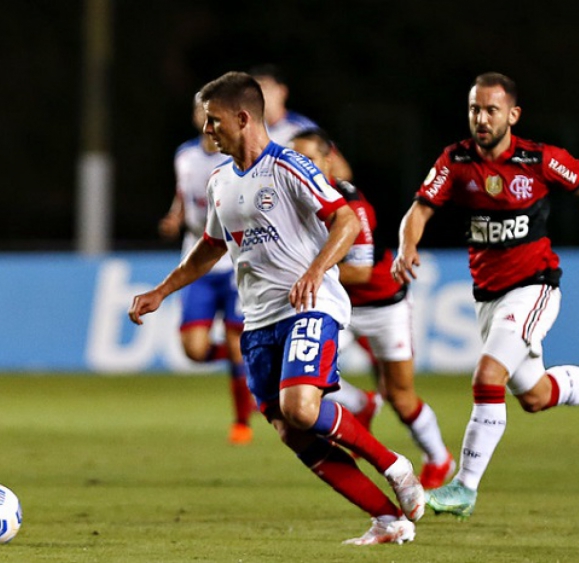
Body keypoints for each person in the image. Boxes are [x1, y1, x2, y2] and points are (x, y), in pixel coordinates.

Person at [130, 71, 424, 545]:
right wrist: (162, 291)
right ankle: (388, 520)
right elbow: (210, 246)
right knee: (293, 433)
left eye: (213, 121)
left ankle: (393, 463)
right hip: (260, 320)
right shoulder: (221, 180)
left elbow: (345, 220)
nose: (207, 131)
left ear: (242, 118)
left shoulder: (289, 166)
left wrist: (315, 271)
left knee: (300, 407)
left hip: (310, 306)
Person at [391, 71, 579, 520]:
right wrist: (407, 244)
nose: (481, 119)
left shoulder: (539, 160)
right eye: (474, 109)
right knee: (535, 395)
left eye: (491, 110)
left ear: (512, 115)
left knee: (487, 378)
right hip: (488, 296)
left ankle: (464, 487)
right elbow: (419, 209)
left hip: (534, 287)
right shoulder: (456, 160)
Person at [290, 128, 456, 489]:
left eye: (309, 160)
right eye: (295, 159)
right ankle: (360, 404)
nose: (301, 167)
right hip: (338, 305)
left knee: (400, 396)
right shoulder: (293, 197)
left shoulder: (353, 204)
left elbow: (362, 271)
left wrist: (306, 273)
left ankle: (440, 459)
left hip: (384, 305)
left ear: (329, 161)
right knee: (305, 379)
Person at [158, 93, 254, 445]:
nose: (208, 118)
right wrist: (175, 218)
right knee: (194, 350)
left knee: (235, 344)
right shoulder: (184, 155)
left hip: (233, 259)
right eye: (202, 110)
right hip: (196, 257)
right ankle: (248, 372)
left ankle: (242, 421)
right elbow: (183, 196)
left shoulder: (239, 159)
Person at [249, 63, 353, 180]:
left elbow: (342, 171)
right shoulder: (249, 129)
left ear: (282, 91)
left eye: (264, 87)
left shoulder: (301, 127)